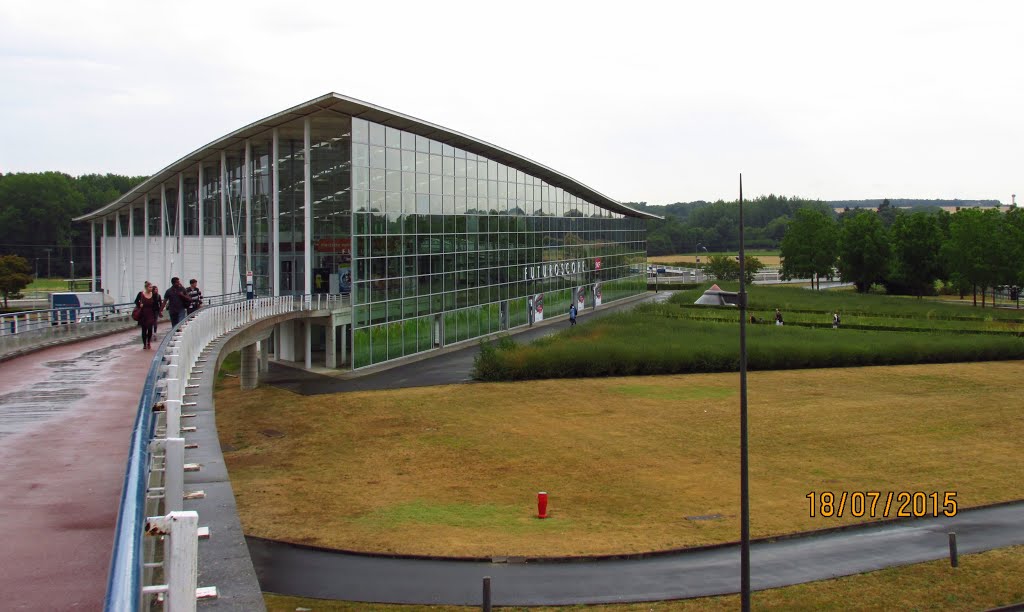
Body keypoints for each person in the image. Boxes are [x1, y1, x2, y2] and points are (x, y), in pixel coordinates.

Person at [134, 281, 161, 349]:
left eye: (151, 287)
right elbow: (136, 301)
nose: (151, 288)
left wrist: (157, 312)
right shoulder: (141, 294)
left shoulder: (154, 295)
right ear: (146, 287)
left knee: (150, 329)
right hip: (143, 313)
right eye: (150, 287)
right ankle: (144, 344)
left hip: (151, 313)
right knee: (144, 329)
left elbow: (156, 304)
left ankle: (148, 341)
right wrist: (139, 305)